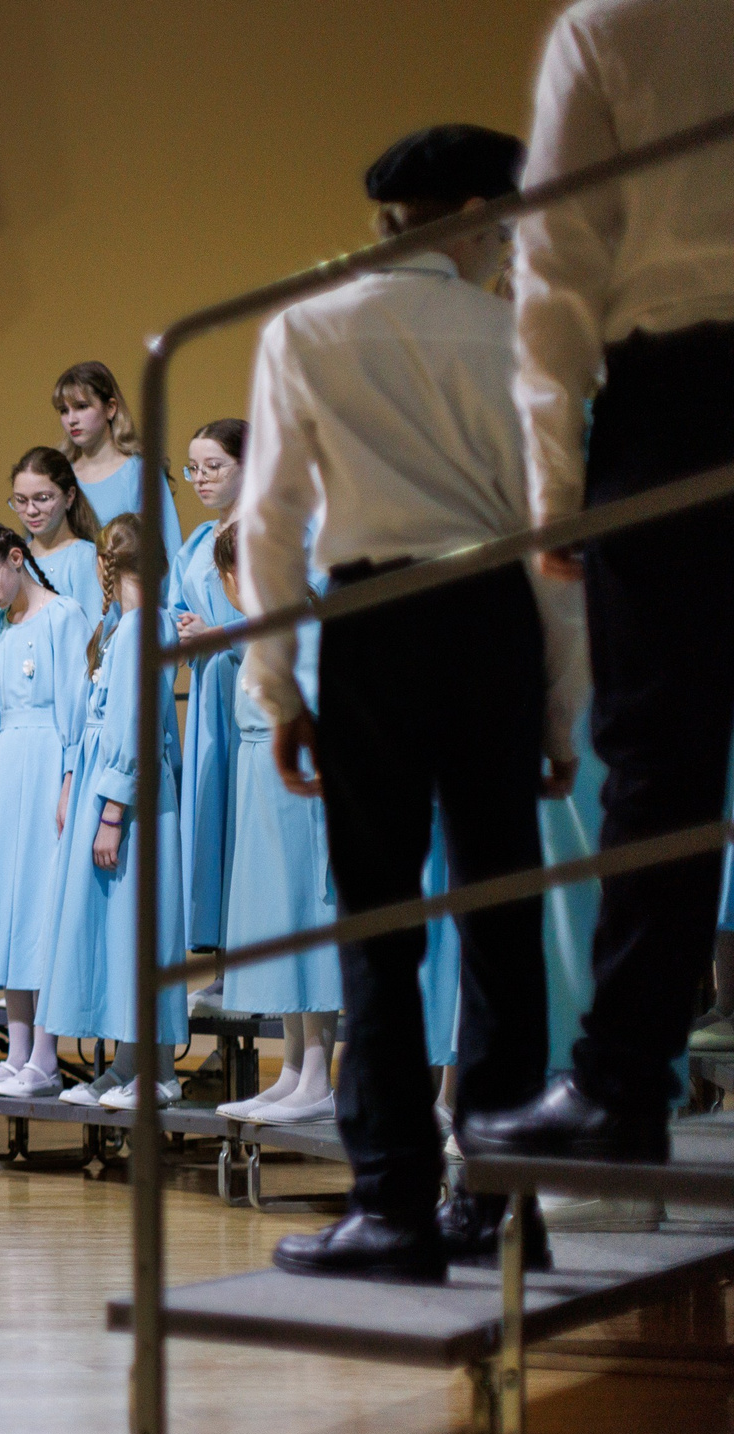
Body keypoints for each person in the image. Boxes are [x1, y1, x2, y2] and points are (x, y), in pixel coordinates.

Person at [240, 125, 557, 1281]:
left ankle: (391, 1207)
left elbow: (269, 524)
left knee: (376, 925)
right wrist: (561, 705)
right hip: (493, 615)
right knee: (501, 919)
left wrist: (279, 687)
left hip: (372, 620)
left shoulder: (306, 326)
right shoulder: (516, 332)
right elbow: (553, 534)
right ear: (474, 213)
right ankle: (500, 1200)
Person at [467, 0, 734, 1170]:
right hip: (673, 384)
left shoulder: (617, 21)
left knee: (661, 759)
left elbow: (560, 262)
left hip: (678, 394)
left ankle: (623, 1085)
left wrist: (554, 481)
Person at [0, 524, 94, 1098]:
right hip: (4, 771)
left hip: (47, 763)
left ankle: (46, 1059)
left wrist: (69, 781)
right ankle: (17, 1052)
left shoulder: (64, 616)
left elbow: (76, 705)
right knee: (8, 906)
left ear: (15, 559)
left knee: (39, 907)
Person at [46, 516, 190, 1109]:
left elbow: (136, 726)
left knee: (139, 929)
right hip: (105, 791)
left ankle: (159, 1072)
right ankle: (127, 1066)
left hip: (130, 802)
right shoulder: (118, 628)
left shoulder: (143, 628)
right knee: (115, 934)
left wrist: (111, 814)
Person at [214, 521, 344, 1130]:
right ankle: (292, 1069)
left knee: (304, 921)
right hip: (261, 787)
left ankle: (317, 1075)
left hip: (297, 793)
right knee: (277, 925)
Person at [169, 421, 247, 978]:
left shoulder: (277, 527)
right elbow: (176, 609)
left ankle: (258, 966)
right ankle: (222, 968)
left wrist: (219, 634)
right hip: (207, 695)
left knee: (249, 824)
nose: (201, 478)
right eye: (193, 468)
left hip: (254, 686)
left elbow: (304, 607)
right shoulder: (198, 541)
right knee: (212, 826)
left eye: (213, 466)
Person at [53, 359, 184, 543]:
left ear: (110, 408)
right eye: (63, 411)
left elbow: (169, 545)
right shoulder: (59, 476)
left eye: (82, 406)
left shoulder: (140, 472)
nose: (71, 419)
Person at [6, 447, 105, 617]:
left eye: (42, 498)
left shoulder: (86, 558)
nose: (31, 510)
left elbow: (95, 628)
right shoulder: (11, 560)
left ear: (69, 496)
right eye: (21, 500)